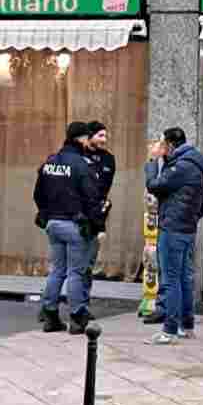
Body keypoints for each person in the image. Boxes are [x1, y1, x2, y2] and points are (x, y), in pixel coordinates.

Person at [33, 122, 106, 334]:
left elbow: (38, 194)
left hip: (53, 225)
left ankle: (50, 314)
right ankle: (77, 317)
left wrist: (47, 214)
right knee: (76, 272)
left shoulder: (50, 161)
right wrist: (98, 226)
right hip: (74, 225)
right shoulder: (82, 164)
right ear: (81, 139)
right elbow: (92, 199)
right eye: (86, 138)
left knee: (57, 270)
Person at [145, 127, 203, 346]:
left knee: (171, 279)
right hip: (187, 228)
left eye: (162, 143)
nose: (160, 147)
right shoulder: (196, 164)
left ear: (170, 144)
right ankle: (186, 325)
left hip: (173, 228)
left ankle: (169, 329)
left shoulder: (181, 166)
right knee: (184, 278)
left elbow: (154, 185)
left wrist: (153, 162)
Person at [82, 121, 115, 297]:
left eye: (105, 135)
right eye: (100, 135)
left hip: (96, 218)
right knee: (71, 266)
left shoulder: (109, 159)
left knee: (88, 264)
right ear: (90, 137)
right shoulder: (79, 156)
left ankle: (82, 304)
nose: (105, 139)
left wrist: (101, 222)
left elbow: (104, 191)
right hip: (78, 216)